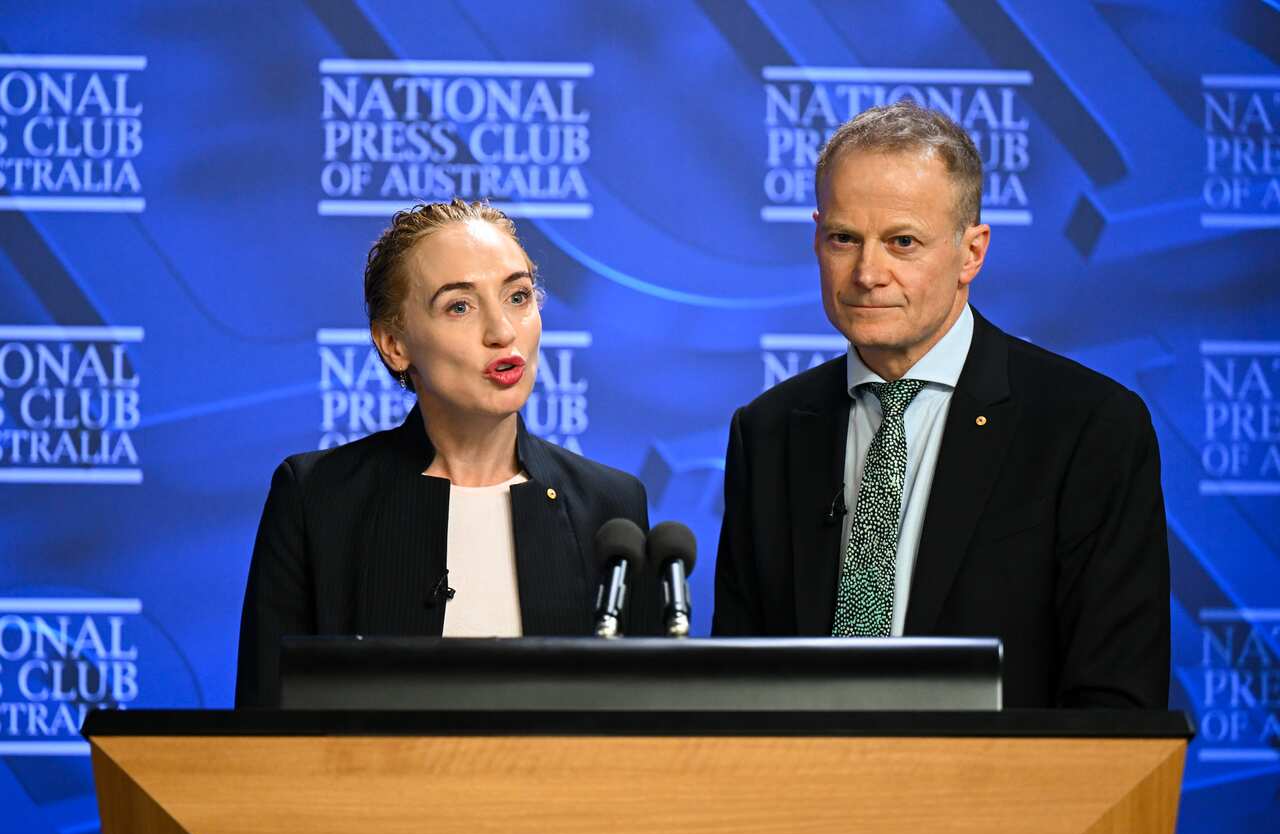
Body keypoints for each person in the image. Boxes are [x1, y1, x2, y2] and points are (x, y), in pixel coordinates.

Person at [712, 101, 1170, 708]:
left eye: (902, 242)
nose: (867, 272)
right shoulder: (768, 433)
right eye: (843, 239)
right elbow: (739, 692)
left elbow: (1114, 704)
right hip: (809, 798)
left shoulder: (1089, 429)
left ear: (971, 252)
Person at [236, 199, 658, 708]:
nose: (502, 332)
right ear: (394, 344)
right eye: (460, 306)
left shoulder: (610, 507)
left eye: (518, 296)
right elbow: (263, 730)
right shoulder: (318, 501)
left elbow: (643, 733)